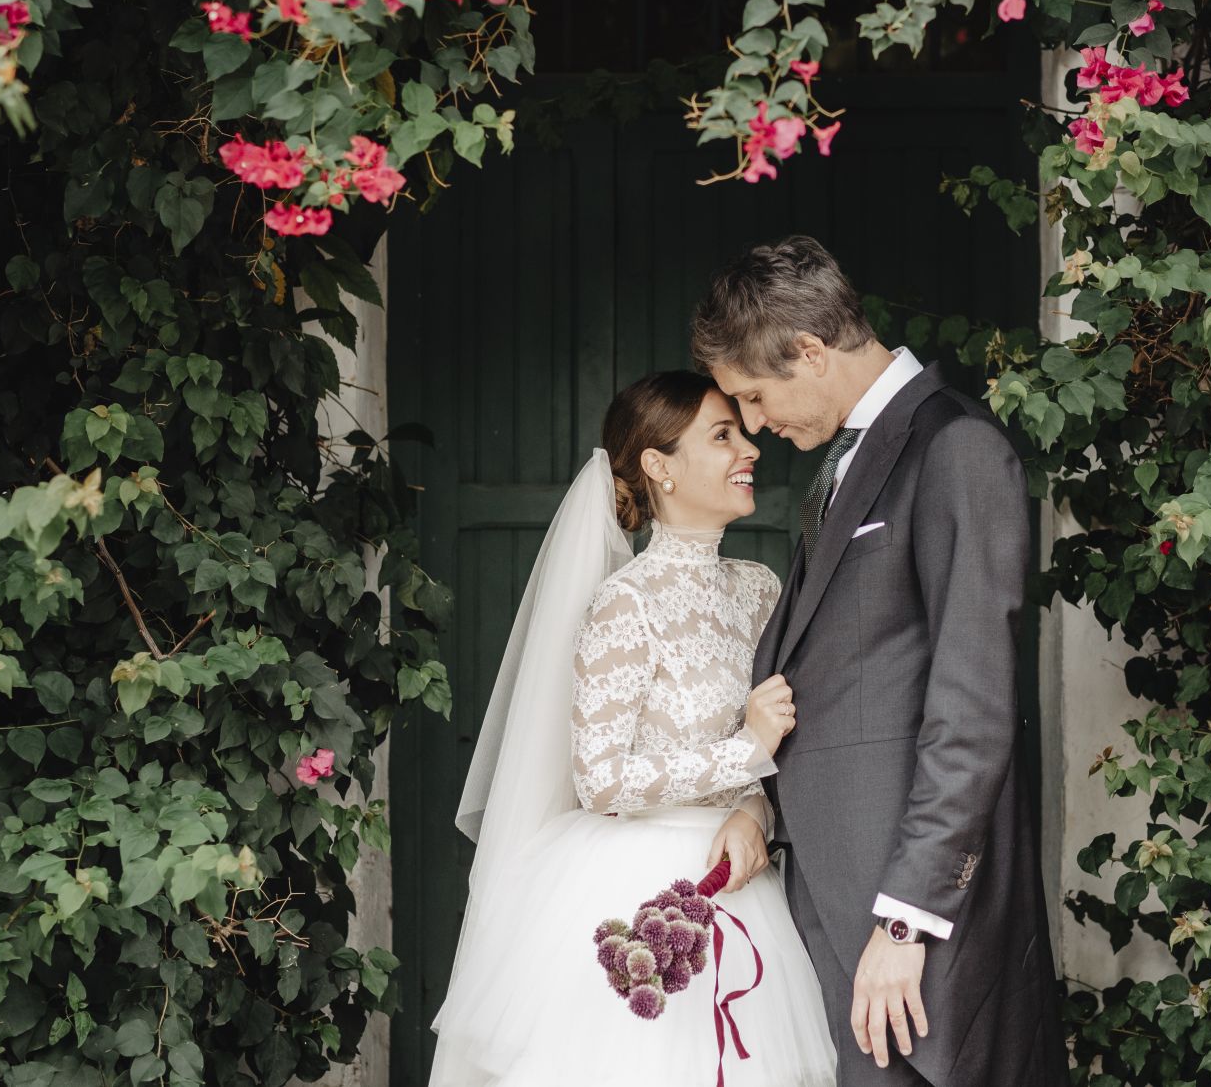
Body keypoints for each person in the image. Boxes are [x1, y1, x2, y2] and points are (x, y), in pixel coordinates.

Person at [692, 236, 1059, 1087]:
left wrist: (907, 922)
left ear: (810, 351)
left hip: (911, 921)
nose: (754, 425)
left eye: (754, 396)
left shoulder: (955, 446)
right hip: (832, 890)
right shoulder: (852, 459)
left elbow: (972, 705)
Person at [430, 370, 838, 1087]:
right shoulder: (625, 605)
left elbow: (783, 751)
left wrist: (754, 807)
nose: (750, 449)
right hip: (632, 884)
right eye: (722, 436)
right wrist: (743, 751)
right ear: (658, 465)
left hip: (739, 879)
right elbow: (601, 779)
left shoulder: (760, 589)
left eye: (741, 432)